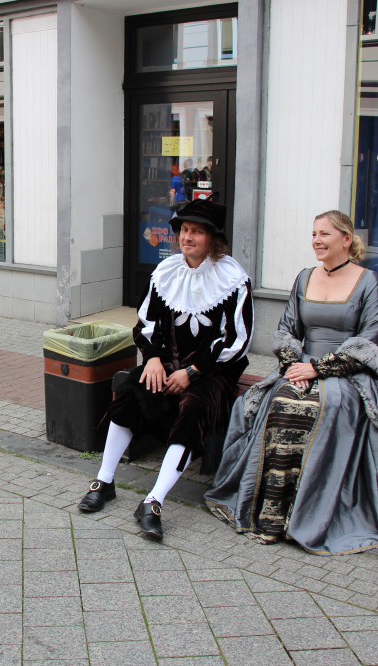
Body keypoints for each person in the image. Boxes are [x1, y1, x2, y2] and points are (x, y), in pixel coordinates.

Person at [205, 210, 378, 554]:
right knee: (280, 402)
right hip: (300, 367)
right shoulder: (304, 278)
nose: (316, 240)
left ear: (346, 239)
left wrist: (317, 369)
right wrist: (293, 366)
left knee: (321, 407)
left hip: (347, 374)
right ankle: (271, 512)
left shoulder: (368, 281)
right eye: (314, 234)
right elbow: (286, 330)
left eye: (324, 234)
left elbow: (369, 342)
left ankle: (303, 512)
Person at [77, 198, 253, 541]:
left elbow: (238, 339)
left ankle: (153, 501)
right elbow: (146, 324)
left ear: (213, 239)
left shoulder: (233, 279)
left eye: (197, 232)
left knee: (193, 409)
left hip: (214, 370)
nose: (187, 237)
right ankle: (105, 481)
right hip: (167, 362)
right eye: (184, 230)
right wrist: (153, 358)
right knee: (130, 394)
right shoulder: (166, 272)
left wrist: (194, 371)